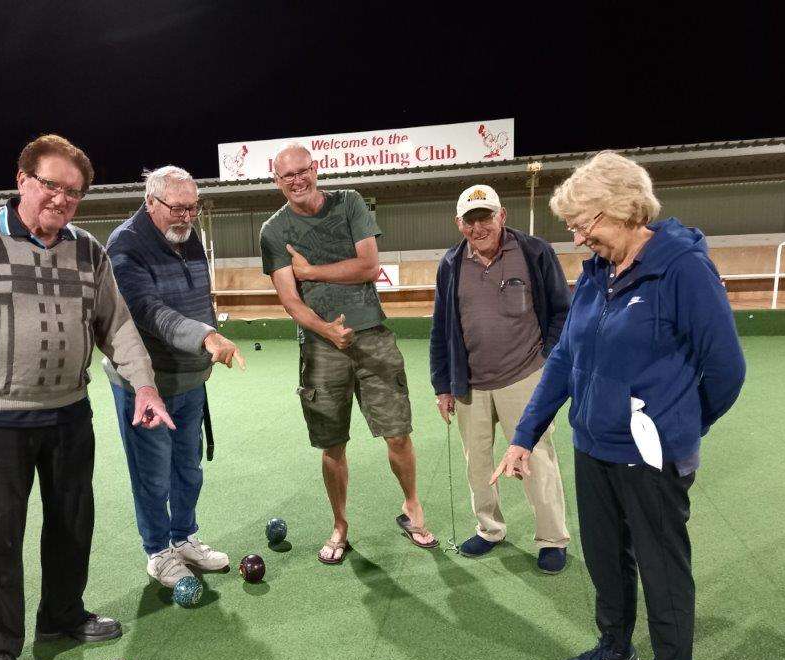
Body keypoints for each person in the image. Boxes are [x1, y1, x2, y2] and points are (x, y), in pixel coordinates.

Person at [0, 134, 172, 660]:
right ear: (23, 179)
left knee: (72, 525)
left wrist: (145, 384)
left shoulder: (88, 251)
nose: (62, 199)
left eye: (74, 192)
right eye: (51, 184)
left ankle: (62, 616)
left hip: (69, 416)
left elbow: (117, 325)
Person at [493, 151, 745, 660]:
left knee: (661, 568)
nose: (580, 238)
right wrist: (525, 434)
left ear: (628, 210)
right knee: (606, 559)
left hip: (651, 455)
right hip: (594, 446)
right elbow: (564, 358)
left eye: (587, 224)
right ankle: (616, 651)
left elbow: (727, 370)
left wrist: (676, 427)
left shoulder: (683, 268)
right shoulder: (598, 274)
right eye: (575, 228)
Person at [260, 143, 436, 564]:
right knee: (332, 444)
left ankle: (412, 506)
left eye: (304, 171)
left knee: (397, 433)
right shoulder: (273, 230)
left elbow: (368, 267)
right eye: (288, 176)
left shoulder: (350, 203)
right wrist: (325, 329)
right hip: (321, 348)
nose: (297, 180)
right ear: (277, 180)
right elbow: (290, 301)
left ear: (316, 169)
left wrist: (308, 270)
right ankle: (340, 525)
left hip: (372, 335)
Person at [104, 166, 243, 587]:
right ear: (151, 202)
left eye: (192, 208)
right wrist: (206, 337)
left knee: (188, 468)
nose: (186, 216)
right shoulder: (125, 245)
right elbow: (148, 312)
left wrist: (201, 350)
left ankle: (183, 539)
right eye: (177, 208)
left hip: (189, 379)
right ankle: (158, 552)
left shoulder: (186, 234)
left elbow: (198, 296)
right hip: (146, 384)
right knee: (152, 473)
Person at [429, 184, 571, 572]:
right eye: (471, 220)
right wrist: (442, 384)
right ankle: (490, 529)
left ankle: (552, 538)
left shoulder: (535, 251)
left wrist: (549, 360)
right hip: (469, 384)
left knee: (537, 457)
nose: (479, 227)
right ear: (460, 224)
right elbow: (441, 329)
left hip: (525, 376)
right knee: (477, 464)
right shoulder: (451, 263)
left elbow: (562, 311)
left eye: (485, 217)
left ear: (501, 216)